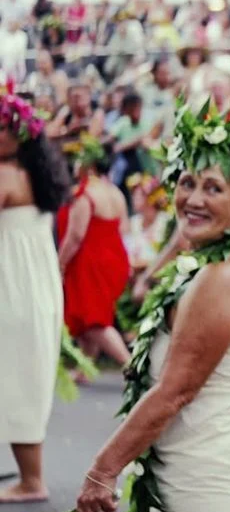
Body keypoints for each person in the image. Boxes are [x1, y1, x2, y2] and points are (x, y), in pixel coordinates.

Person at [73, 99, 230, 512]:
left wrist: (102, 470)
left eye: (213, 188)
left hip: (210, 477)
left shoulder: (221, 279)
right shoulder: (210, 260)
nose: (193, 198)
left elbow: (173, 393)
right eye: (187, 182)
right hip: (198, 464)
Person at [0, 92, 70, 503]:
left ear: (19, 136)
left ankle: (31, 481)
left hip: (13, 294)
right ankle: (30, 477)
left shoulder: (6, 175)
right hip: (34, 292)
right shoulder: (39, 175)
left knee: (16, 380)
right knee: (21, 377)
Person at [57, 137, 131, 368]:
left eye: (79, 161)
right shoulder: (115, 192)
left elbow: (75, 236)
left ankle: (129, 365)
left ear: (88, 165)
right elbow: (124, 228)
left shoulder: (85, 194)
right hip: (114, 258)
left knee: (94, 321)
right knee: (85, 315)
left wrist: (59, 264)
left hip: (90, 262)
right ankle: (85, 367)